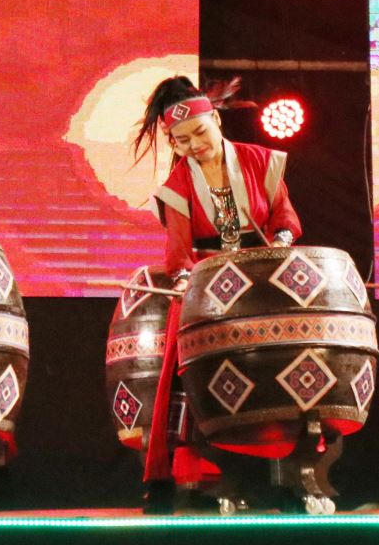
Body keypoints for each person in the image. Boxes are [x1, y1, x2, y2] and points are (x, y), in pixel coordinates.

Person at [132, 76, 302, 509]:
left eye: (200, 133)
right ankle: (178, 479)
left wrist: (280, 244)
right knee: (181, 367)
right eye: (182, 140)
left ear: (217, 122)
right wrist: (186, 281)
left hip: (262, 281)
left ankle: (286, 474)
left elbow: (284, 218)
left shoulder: (261, 161)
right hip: (207, 285)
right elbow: (178, 254)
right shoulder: (176, 186)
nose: (194, 145)